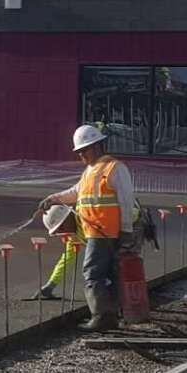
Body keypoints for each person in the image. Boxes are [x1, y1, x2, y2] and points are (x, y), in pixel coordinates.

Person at [31, 124, 138, 330]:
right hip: (97, 232)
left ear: (98, 146)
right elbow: (75, 192)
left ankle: (102, 318)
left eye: (84, 150)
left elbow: (126, 201)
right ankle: (112, 315)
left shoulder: (115, 168)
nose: (81, 155)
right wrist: (54, 198)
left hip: (106, 232)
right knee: (109, 273)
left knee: (92, 273)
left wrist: (126, 231)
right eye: (78, 152)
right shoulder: (90, 171)